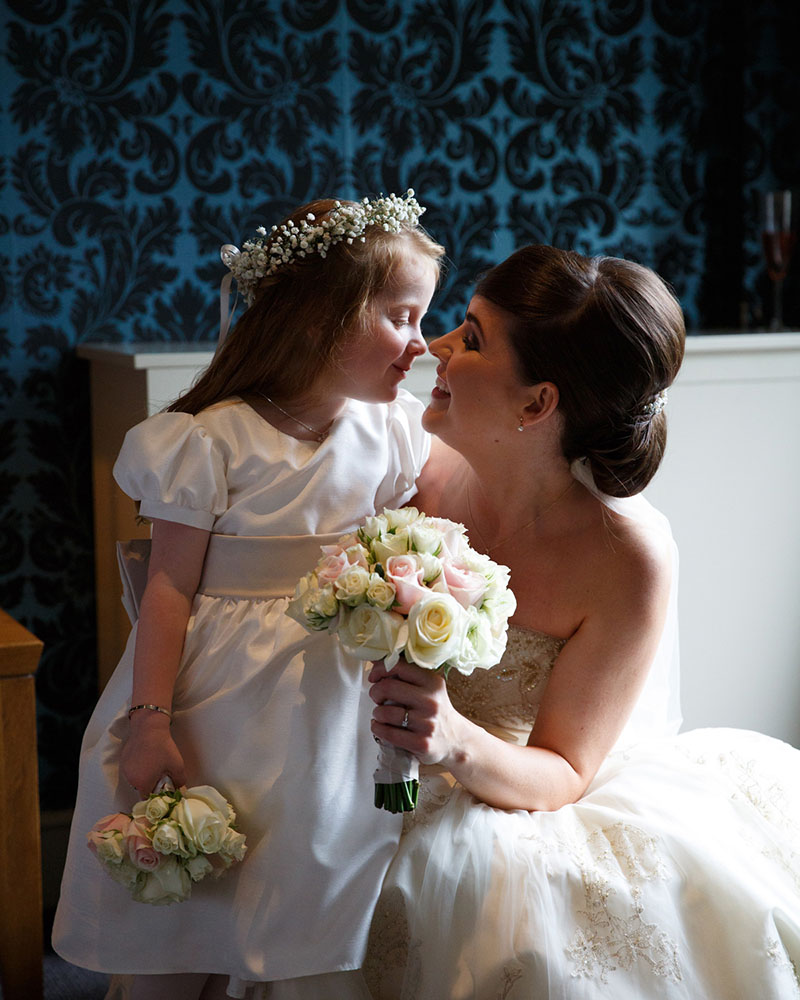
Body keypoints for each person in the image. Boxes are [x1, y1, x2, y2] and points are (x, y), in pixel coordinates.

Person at [363, 245, 800, 999]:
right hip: (377, 771)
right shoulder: (410, 469)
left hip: (514, 789)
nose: (435, 344)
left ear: (537, 404)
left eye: (470, 337)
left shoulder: (626, 557)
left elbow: (565, 767)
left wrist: (455, 740)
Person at [52, 191, 444, 1000]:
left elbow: (403, 566)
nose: (421, 342)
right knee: (206, 866)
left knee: (316, 857)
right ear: (316, 319)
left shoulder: (394, 432)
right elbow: (167, 585)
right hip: (218, 697)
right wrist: (150, 719)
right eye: (401, 318)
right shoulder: (210, 439)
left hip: (335, 698)